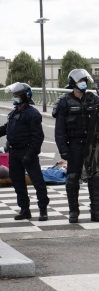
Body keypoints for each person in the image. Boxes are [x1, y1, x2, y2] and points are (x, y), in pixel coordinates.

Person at [52, 69, 99, 223]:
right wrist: (63, 149)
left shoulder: (93, 99)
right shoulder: (64, 101)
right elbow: (59, 129)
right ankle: (73, 212)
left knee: (95, 177)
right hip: (74, 144)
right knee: (73, 178)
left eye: (84, 80)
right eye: (79, 80)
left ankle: (96, 211)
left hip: (91, 145)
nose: (83, 83)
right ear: (72, 83)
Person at [0, 83, 49, 221]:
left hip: (28, 151)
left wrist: (31, 153)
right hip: (14, 152)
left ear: (24, 97)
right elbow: (6, 128)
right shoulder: (14, 112)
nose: (14, 98)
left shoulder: (32, 114)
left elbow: (38, 136)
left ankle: (43, 209)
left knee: (37, 181)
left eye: (17, 96)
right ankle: (24, 209)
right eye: (14, 96)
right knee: (17, 181)